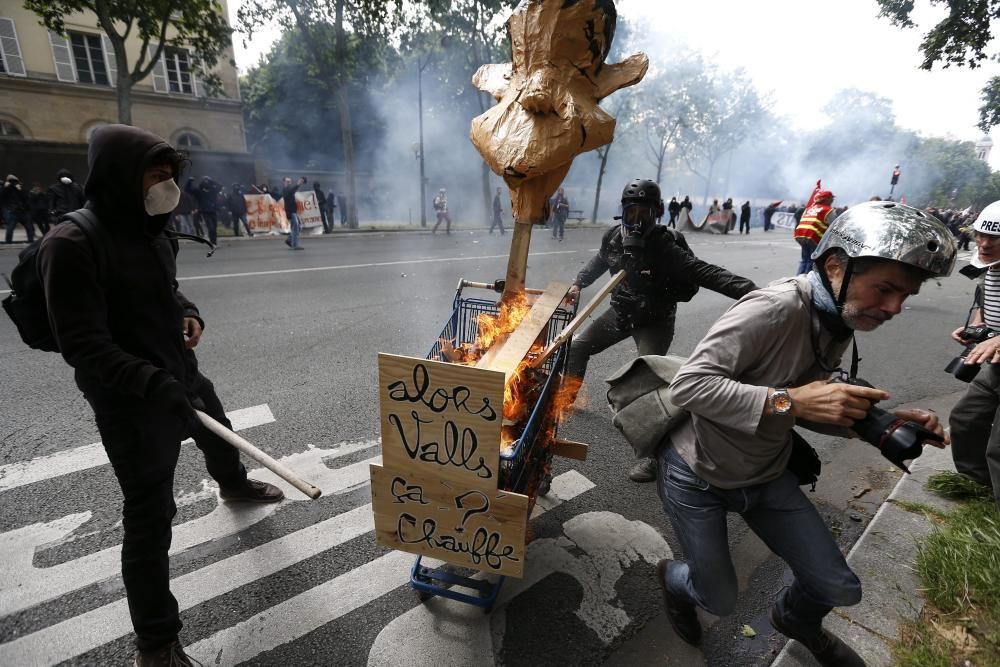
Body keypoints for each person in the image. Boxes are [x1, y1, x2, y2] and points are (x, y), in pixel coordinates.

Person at [657, 201, 954, 666]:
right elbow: (690, 385)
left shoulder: (836, 317)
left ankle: (795, 619)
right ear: (836, 265)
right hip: (698, 474)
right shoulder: (773, 309)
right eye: (886, 289)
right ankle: (673, 581)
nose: (895, 307)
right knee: (717, 599)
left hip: (765, 472)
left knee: (839, 586)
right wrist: (790, 401)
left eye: (906, 295)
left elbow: (809, 404)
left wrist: (883, 422)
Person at [37, 124, 283, 667]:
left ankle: (235, 484)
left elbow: (164, 290)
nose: (166, 186)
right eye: (156, 175)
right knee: (150, 517)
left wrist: (188, 312)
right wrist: (153, 385)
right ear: (121, 177)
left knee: (219, 431)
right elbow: (83, 347)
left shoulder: (151, 227)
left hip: (179, 374)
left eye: (171, 175)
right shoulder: (71, 245)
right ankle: (156, 644)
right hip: (128, 403)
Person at [566, 179, 758, 482]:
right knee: (577, 347)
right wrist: (578, 283)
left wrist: (752, 292)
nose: (637, 220)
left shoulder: (665, 245)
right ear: (623, 212)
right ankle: (564, 399)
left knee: (649, 385)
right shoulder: (613, 238)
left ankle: (651, 458)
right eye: (632, 212)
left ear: (656, 213)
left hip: (654, 320)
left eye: (645, 213)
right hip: (620, 312)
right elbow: (599, 262)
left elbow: (702, 274)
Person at [949, 200, 1000, 511]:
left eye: (994, 238)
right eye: (980, 234)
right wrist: (977, 325)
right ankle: (977, 486)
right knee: (964, 419)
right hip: (994, 366)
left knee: (998, 448)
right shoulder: (985, 264)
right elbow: (983, 297)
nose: (983, 243)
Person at [794, 180, 835, 274]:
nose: (832, 200)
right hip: (813, 237)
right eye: (831, 198)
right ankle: (805, 282)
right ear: (827, 199)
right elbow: (834, 226)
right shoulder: (828, 210)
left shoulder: (809, 208)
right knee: (812, 261)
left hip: (800, 235)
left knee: (804, 259)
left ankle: (797, 279)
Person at [187, 176, 222, 244]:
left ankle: (214, 241)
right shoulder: (199, 191)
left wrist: (212, 181)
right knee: (210, 227)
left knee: (214, 227)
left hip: (213, 211)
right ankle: (213, 242)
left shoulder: (213, 190)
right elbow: (188, 190)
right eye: (205, 181)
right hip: (205, 211)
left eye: (207, 181)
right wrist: (189, 181)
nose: (206, 182)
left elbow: (220, 186)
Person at [1, 174, 32, 244]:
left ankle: (31, 241)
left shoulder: (20, 187)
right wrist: (4, 188)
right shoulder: (6, 189)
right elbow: (2, 198)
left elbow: (27, 198)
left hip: (22, 211)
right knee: (10, 228)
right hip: (12, 211)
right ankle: (8, 242)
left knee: (29, 227)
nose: (12, 183)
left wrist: (20, 190)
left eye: (14, 181)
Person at [278, 176, 306, 249]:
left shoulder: (288, 189)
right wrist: (298, 184)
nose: (289, 183)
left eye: (290, 181)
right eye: (287, 181)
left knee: (298, 227)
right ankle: (294, 245)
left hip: (293, 211)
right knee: (296, 228)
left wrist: (298, 184)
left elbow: (292, 191)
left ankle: (289, 240)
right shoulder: (285, 190)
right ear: (284, 182)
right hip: (290, 212)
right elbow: (292, 191)